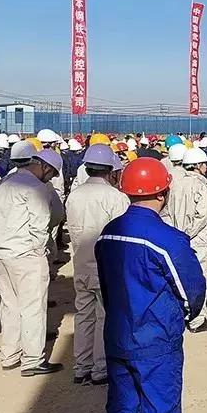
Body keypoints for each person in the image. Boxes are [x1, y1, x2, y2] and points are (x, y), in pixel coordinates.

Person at [96, 157, 206, 413]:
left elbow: (107, 286)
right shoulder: (167, 239)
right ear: (163, 192)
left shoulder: (109, 233)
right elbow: (192, 290)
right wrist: (184, 317)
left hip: (119, 335)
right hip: (156, 341)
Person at [0, 149, 64, 375]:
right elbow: (40, 225)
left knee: (9, 305)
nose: (50, 179)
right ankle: (32, 360)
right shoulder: (35, 188)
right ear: (45, 167)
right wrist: (40, 253)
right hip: (25, 254)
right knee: (33, 308)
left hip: (0, 252)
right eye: (52, 175)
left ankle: (10, 354)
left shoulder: (6, 182)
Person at [65, 144, 130, 386]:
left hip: (81, 265)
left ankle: (81, 366)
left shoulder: (75, 195)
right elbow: (122, 233)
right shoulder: (115, 197)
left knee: (83, 316)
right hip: (105, 267)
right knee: (105, 317)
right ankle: (101, 368)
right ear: (110, 170)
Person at [161, 147, 207, 333]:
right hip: (196, 241)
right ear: (198, 165)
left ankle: (180, 314)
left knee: (178, 278)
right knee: (199, 279)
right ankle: (197, 319)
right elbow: (202, 217)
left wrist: (176, 235)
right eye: (205, 165)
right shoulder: (203, 188)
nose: (206, 168)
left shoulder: (174, 185)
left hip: (177, 239)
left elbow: (166, 213)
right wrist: (187, 234)